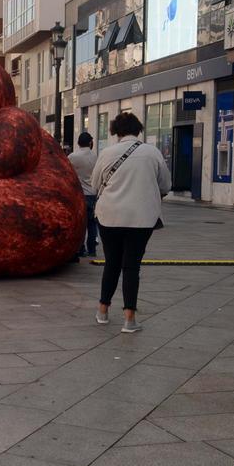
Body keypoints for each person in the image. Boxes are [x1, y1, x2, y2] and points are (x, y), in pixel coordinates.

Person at [91, 112, 170, 334]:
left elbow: (95, 183)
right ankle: (129, 319)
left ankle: (103, 310)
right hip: (141, 218)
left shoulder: (107, 153)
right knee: (131, 266)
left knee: (112, 263)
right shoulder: (152, 152)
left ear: (117, 132)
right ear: (138, 130)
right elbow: (165, 185)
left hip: (109, 216)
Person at [69, 132, 99, 257]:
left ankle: (81, 249)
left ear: (78, 142)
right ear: (90, 143)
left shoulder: (72, 157)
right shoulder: (95, 156)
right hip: (93, 193)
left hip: (79, 194)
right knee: (92, 224)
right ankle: (92, 249)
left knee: (80, 224)